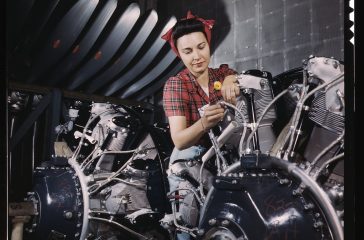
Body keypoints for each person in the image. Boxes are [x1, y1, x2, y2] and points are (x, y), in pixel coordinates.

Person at [161, 11, 240, 239]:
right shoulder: (176, 85)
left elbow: (234, 77)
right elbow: (180, 140)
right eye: (188, 51)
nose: (197, 56)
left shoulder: (223, 73)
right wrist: (204, 124)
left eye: (201, 47)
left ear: (208, 44)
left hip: (222, 160)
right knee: (190, 229)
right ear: (179, 54)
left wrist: (231, 80)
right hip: (188, 163)